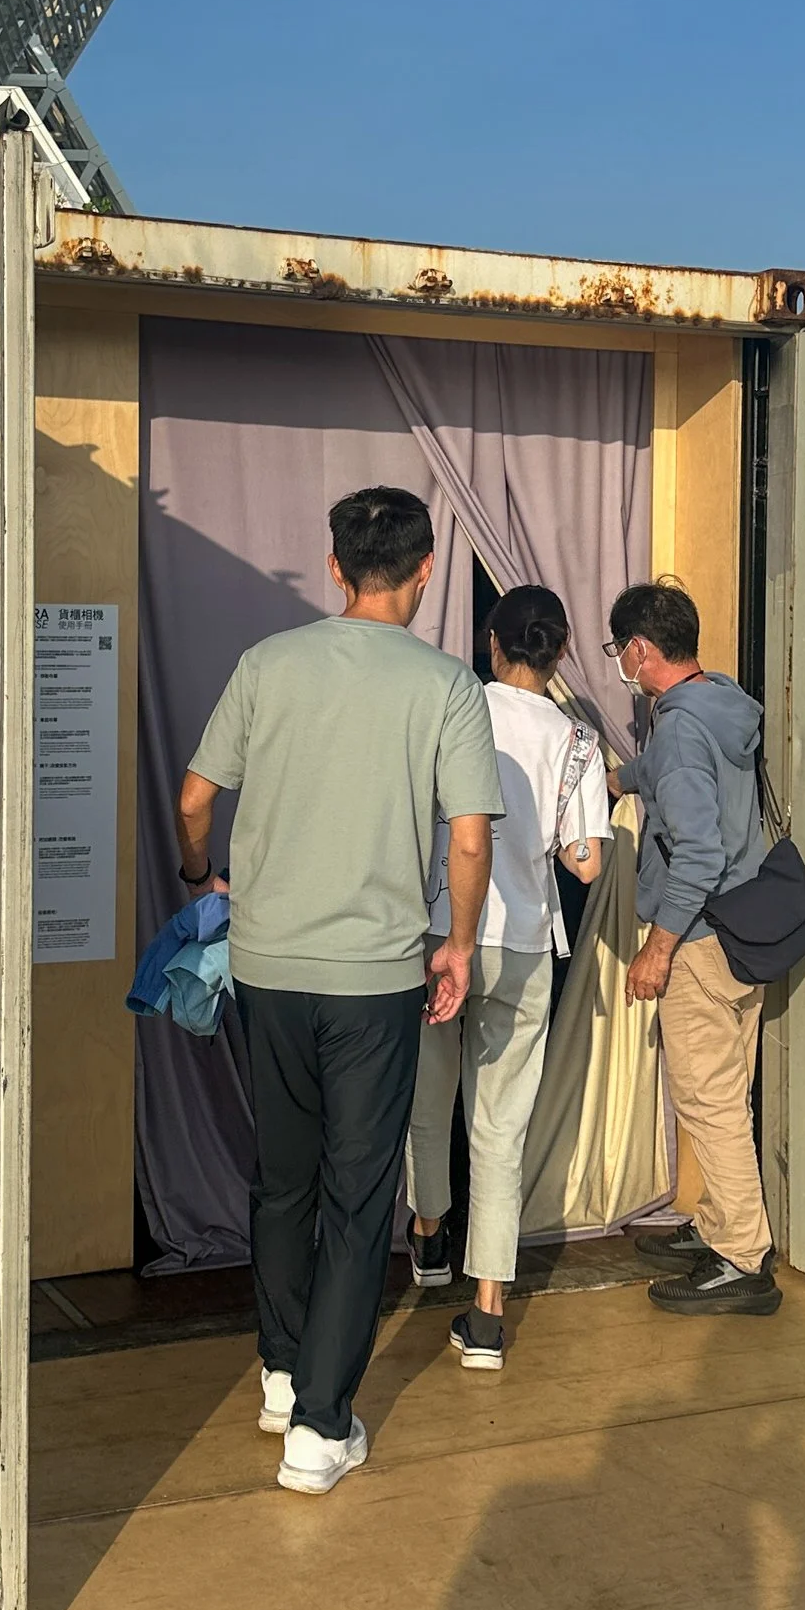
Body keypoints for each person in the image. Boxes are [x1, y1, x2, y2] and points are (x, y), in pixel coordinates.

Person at [176, 487, 501, 1495]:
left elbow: (195, 799)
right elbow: (471, 835)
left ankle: (280, 1371)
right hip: (374, 977)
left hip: (268, 967)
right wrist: (455, 942)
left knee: (284, 1178)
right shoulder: (448, 685)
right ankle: (320, 1425)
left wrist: (204, 876)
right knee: (361, 1196)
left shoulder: (267, 666)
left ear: (332, 567)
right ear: (428, 570)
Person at [405, 585, 609, 1371]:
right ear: (558, 654)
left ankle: (427, 1239)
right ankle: (487, 1315)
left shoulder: (453, 710)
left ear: (492, 644)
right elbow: (584, 860)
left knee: (430, 1100)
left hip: (438, 932)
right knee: (500, 1129)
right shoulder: (577, 740)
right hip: (524, 944)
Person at [606, 580, 782, 1316]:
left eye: (621, 651)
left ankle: (743, 1261)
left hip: (700, 939)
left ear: (642, 651)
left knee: (708, 1101)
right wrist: (619, 776)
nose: (620, 662)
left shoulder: (676, 728)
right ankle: (719, 1225)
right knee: (724, 1096)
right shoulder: (721, 701)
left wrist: (658, 949)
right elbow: (677, 778)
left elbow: (697, 851)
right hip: (745, 929)